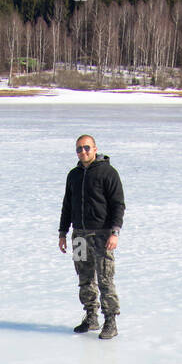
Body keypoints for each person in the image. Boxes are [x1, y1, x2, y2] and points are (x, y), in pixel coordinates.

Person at [58, 134, 125, 339]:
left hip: (102, 233)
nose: (83, 152)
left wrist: (114, 232)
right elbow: (67, 205)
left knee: (105, 278)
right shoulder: (74, 175)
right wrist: (63, 232)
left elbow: (118, 204)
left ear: (95, 149)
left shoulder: (108, 172)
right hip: (79, 234)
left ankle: (110, 321)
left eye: (87, 148)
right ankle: (91, 316)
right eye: (79, 149)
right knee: (84, 277)